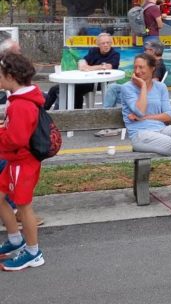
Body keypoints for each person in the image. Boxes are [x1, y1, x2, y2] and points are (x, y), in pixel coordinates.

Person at [121, 53, 171, 212]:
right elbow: (139, 109)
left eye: (142, 67)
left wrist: (145, 117)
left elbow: (168, 115)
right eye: (135, 67)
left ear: (152, 69)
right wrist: (143, 86)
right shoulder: (127, 88)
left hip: (160, 129)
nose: (137, 71)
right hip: (140, 135)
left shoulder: (161, 87)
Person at [0, 53, 46, 271]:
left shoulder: (21, 105)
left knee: (23, 207)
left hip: (22, 162)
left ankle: (32, 252)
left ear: (10, 76)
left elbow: (16, 139)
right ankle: (16, 240)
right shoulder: (21, 100)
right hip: (16, 161)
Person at [44, 33, 120, 110]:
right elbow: (82, 62)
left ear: (111, 43)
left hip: (100, 83)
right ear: (98, 44)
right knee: (54, 89)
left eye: (108, 43)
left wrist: (89, 67)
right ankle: (44, 110)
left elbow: (108, 67)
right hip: (86, 80)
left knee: (72, 89)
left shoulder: (115, 54)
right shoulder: (93, 51)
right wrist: (95, 66)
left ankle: (68, 113)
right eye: (103, 43)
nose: (106, 45)